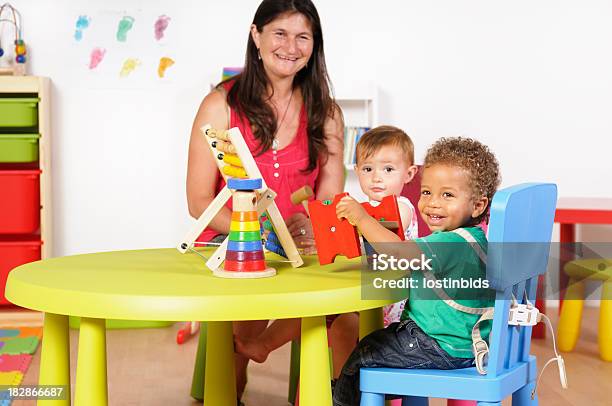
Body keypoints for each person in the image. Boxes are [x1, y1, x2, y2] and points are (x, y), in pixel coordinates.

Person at [185, 0, 344, 401]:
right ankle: (230, 378)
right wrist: (257, 233)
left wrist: (310, 224)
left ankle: (320, 391)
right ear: (256, 36)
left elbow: (329, 198)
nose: (291, 46)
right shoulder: (221, 105)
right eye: (280, 33)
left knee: (344, 304)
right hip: (234, 240)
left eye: (303, 37)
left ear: (314, 46)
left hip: (300, 246)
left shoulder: (325, 113)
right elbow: (199, 201)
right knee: (248, 304)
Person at [234, 125, 420, 382]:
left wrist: (357, 217)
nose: (377, 178)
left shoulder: (402, 207)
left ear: (408, 174)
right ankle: (264, 345)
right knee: (310, 308)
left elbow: (384, 231)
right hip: (360, 296)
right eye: (368, 169)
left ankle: (343, 388)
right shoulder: (359, 207)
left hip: (392, 309)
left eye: (388, 170)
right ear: (357, 172)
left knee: (344, 324)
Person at [333, 137, 501, 406]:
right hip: (469, 346)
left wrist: (361, 218)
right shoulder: (477, 240)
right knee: (379, 342)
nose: (433, 203)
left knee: (362, 356)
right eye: (426, 192)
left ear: (478, 206)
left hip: (435, 344)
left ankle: (340, 400)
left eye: (447, 195)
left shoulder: (448, 244)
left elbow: (397, 252)